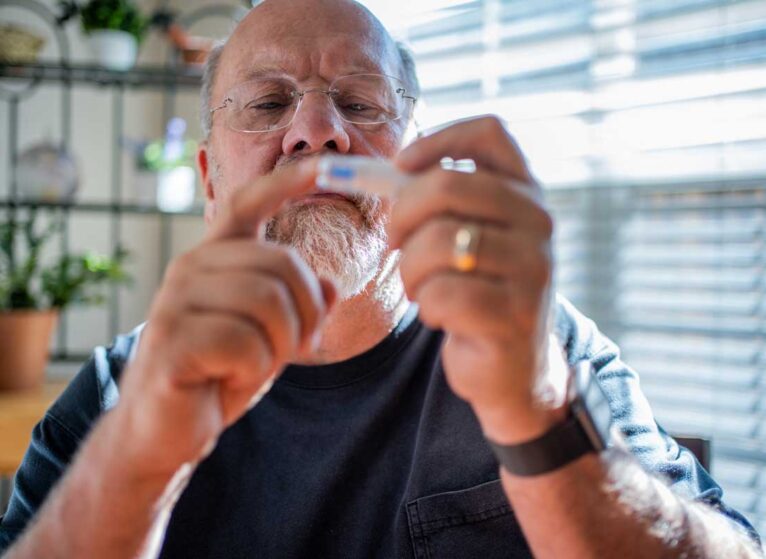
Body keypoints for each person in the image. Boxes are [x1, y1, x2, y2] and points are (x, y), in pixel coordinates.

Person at [0, 1, 762, 557]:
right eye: (268, 103)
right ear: (209, 178)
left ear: (414, 154)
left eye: (360, 103)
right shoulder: (112, 394)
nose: (316, 130)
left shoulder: (536, 343)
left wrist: (542, 415)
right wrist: (137, 458)